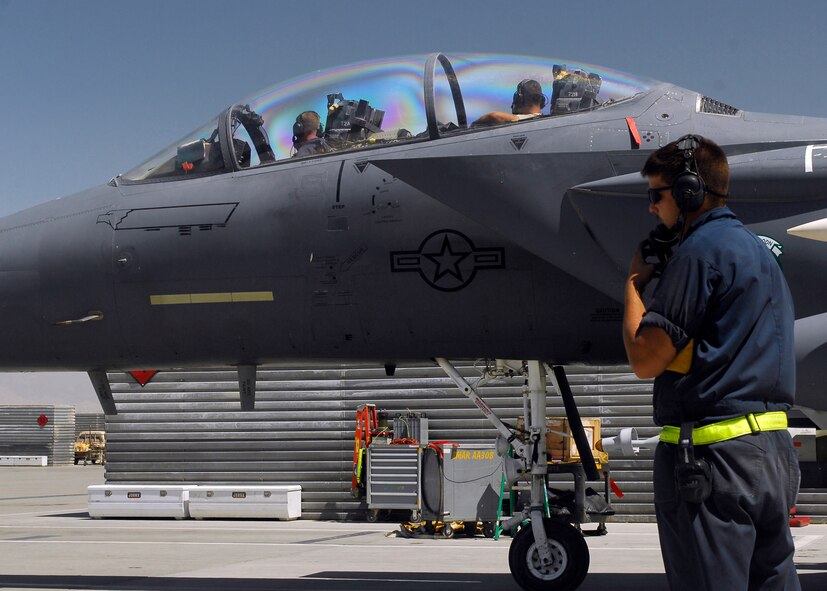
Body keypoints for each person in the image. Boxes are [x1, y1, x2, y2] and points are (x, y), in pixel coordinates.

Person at [622, 135, 801, 591]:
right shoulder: (758, 251)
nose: (651, 208)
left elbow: (646, 359)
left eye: (655, 195)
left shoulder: (699, 253)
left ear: (687, 192)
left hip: (711, 464)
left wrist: (633, 284)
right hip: (771, 458)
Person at [471, 79, 546, 126]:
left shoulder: (527, 120)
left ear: (520, 100)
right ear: (542, 100)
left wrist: (474, 124)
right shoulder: (544, 120)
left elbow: (494, 116)